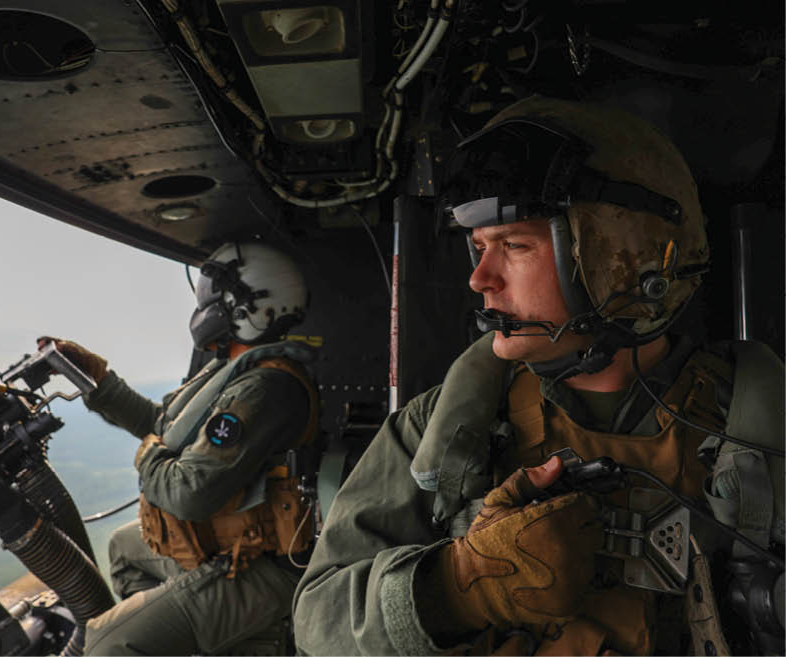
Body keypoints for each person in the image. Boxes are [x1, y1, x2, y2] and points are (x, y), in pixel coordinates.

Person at [293, 96, 784, 655]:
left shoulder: (761, 427)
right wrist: (457, 588)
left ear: (627, 257)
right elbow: (317, 620)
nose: (480, 278)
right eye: (477, 248)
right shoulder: (445, 426)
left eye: (515, 245)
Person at [42, 241, 319, 655]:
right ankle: (184, 626)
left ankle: (181, 620)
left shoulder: (265, 387)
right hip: (230, 544)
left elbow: (188, 494)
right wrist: (101, 382)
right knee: (124, 548)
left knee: (108, 642)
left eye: (211, 302)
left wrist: (148, 457)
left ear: (248, 307)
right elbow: (164, 426)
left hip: (264, 566)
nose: (203, 312)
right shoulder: (235, 370)